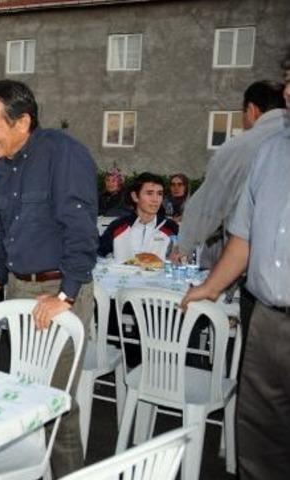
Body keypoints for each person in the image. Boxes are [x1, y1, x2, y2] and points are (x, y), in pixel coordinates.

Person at [0, 80, 97, 476]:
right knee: (23, 396)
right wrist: (0, 275)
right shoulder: (3, 163)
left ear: (22, 121)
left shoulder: (64, 155)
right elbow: (8, 226)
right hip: (19, 288)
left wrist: (66, 296)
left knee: (54, 403)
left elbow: (81, 231)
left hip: (59, 291)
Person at [181, 56, 290, 479]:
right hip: (266, 321)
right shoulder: (270, 151)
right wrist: (211, 286)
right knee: (259, 441)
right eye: (287, 80)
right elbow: (243, 235)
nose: (287, 92)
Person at [176, 81, 287, 264]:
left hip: (250, 262)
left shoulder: (238, 148)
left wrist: (182, 248)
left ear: (252, 110)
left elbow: (208, 208)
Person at [97, 172, 179, 262]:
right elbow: (98, 254)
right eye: (149, 193)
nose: (155, 199)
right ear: (135, 196)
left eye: (159, 194)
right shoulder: (118, 226)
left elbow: (183, 257)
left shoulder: (171, 227)